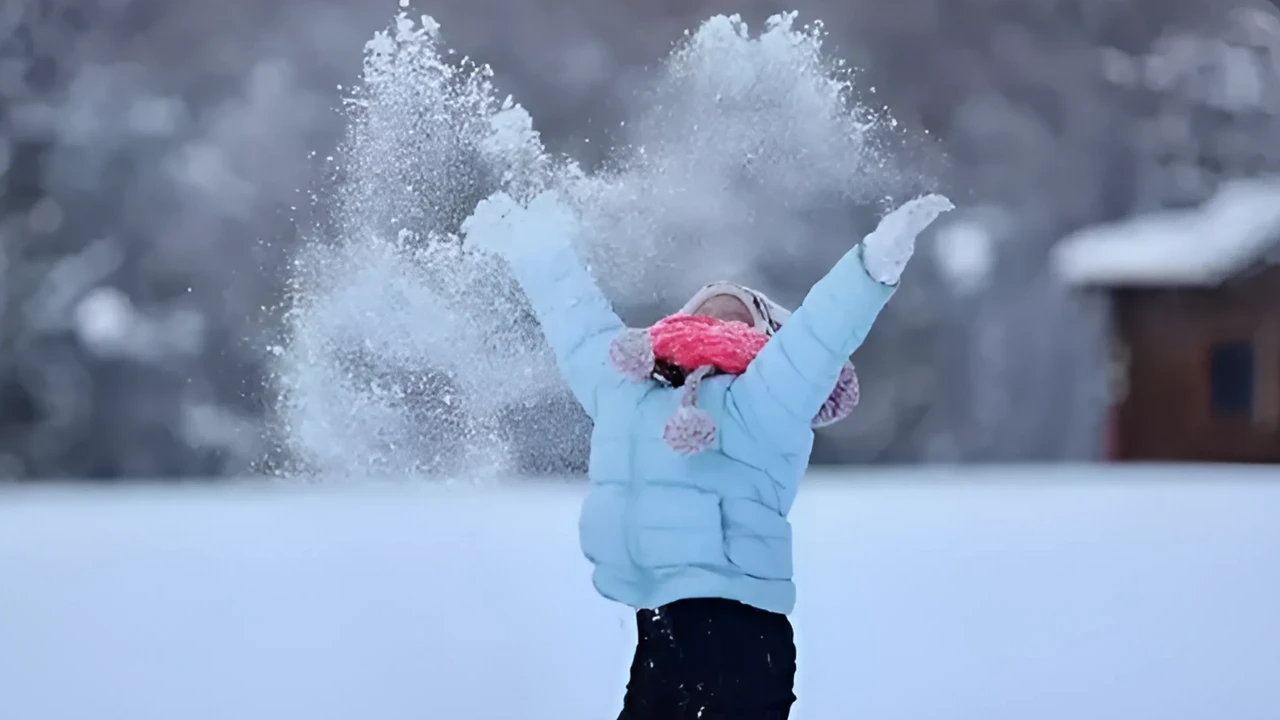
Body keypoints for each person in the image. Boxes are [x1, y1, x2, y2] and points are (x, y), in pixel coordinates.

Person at [462, 190, 953, 720]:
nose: (721, 311)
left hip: (741, 631)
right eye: (707, 307)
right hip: (658, 623)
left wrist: (873, 264)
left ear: (766, 338)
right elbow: (576, 322)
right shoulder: (627, 388)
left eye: (740, 313)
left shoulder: (767, 395)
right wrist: (534, 247)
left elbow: (820, 334)